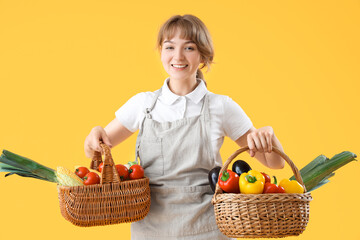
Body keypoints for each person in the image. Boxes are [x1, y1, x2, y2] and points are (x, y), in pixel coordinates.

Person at [84, 14, 285, 240]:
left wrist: (268, 135)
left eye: (189, 48)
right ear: (161, 52)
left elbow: (275, 163)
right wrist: (93, 137)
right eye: (170, 47)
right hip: (151, 230)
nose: (178, 56)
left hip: (208, 228)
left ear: (202, 55)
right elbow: (95, 150)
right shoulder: (143, 104)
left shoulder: (221, 106)